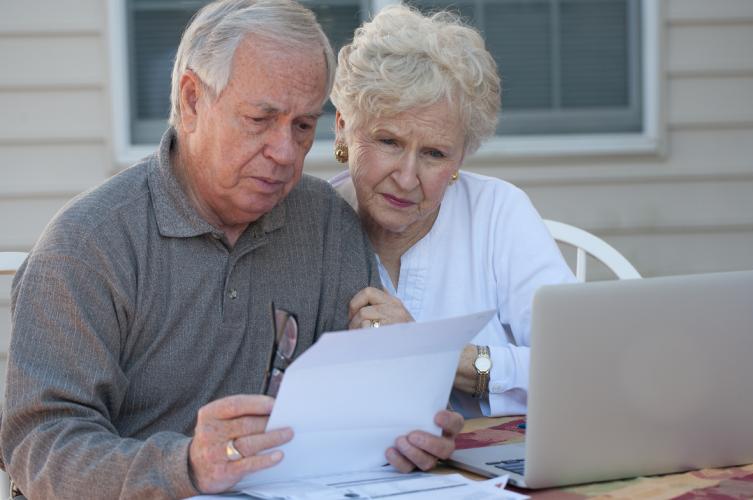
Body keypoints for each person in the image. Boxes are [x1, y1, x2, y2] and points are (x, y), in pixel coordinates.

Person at [0, 1, 463, 498]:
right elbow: (37, 447)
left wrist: (406, 431)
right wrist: (187, 466)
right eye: (260, 119)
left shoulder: (325, 222)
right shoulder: (88, 248)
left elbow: (355, 408)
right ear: (193, 100)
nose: (285, 152)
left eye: (303, 126)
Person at [330, 5, 576, 419]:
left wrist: (433, 353)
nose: (407, 178)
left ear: (461, 157)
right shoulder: (310, 226)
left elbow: (579, 363)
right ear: (342, 128)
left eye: (434, 153)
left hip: (501, 469)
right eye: (388, 141)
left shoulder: (498, 213)